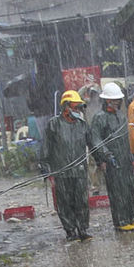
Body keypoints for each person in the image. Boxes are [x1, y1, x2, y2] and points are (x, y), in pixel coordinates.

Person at [42, 90, 94, 242]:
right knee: (64, 202)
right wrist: (44, 165)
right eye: (75, 107)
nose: (78, 111)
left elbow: (93, 144)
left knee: (82, 201)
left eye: (79, 108)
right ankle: (70, 230)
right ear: (66, 107)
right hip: (62, 171)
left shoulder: (82, 125)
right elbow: (46, 146)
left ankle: (83, 229)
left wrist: (103, 158)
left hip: (79, 170)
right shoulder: (54, 124)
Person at [90, 81, 134, 231]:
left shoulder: (120, 115)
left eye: (118, 100)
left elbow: (125, 137)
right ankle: (121, 220)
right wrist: (106, 155)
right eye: (114, 100)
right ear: (107, 101)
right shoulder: (100, 118)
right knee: (117, 191)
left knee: (130, 188)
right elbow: (96, 139)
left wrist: (131, 153)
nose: (117, 103)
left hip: (125, 158)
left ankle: (132, 216)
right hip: (112, 160)